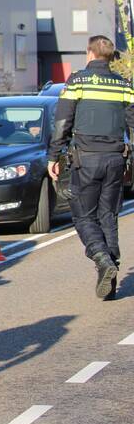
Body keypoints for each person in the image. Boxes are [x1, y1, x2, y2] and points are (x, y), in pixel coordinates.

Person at [48, 35, 134, 299]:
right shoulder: (123, 85)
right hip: (115, 160)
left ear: (90, 53)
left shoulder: (77, 81)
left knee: (84, 217)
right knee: (108, 217)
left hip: (86, 160)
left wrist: (54, 155)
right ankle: (109, 282)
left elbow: (63, 121)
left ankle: (102, 258)